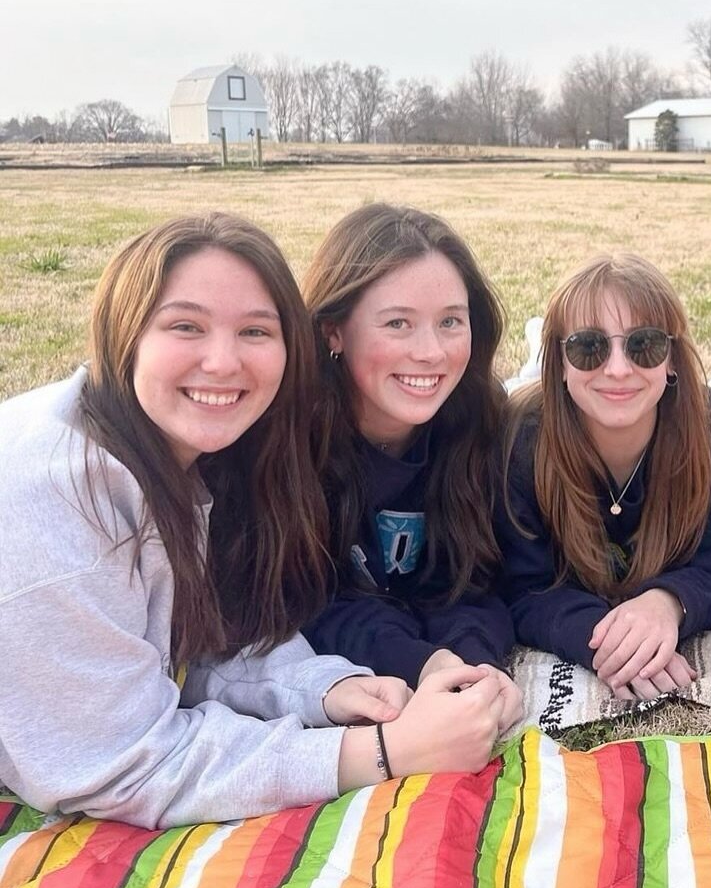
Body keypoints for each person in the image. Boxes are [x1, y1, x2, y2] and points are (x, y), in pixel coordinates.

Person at [0, 214, 507, 829]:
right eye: (186, 326)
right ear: (123, 334)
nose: (222, 362)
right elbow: (119, 766)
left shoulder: (197, 453)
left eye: (255, 331)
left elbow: (196, 645)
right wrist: (380, 753)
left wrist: (326, 689)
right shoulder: (56, 504)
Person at [499, 254, 711, 701]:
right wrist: (606, 641)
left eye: (644, 346)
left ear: (673, 359)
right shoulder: (519, 440)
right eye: (587, 347)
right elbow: (520, 585)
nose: (618, 368)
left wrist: (669, 602)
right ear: (558, 362)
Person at [301, 204, 521, 724]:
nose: (430, 353)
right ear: (334, 331)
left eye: (450, 322)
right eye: (398, 323)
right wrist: (419, 663)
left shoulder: (478, 417)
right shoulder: (290, 437)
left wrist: (469, 663)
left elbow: (479, 578)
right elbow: (307, 604)